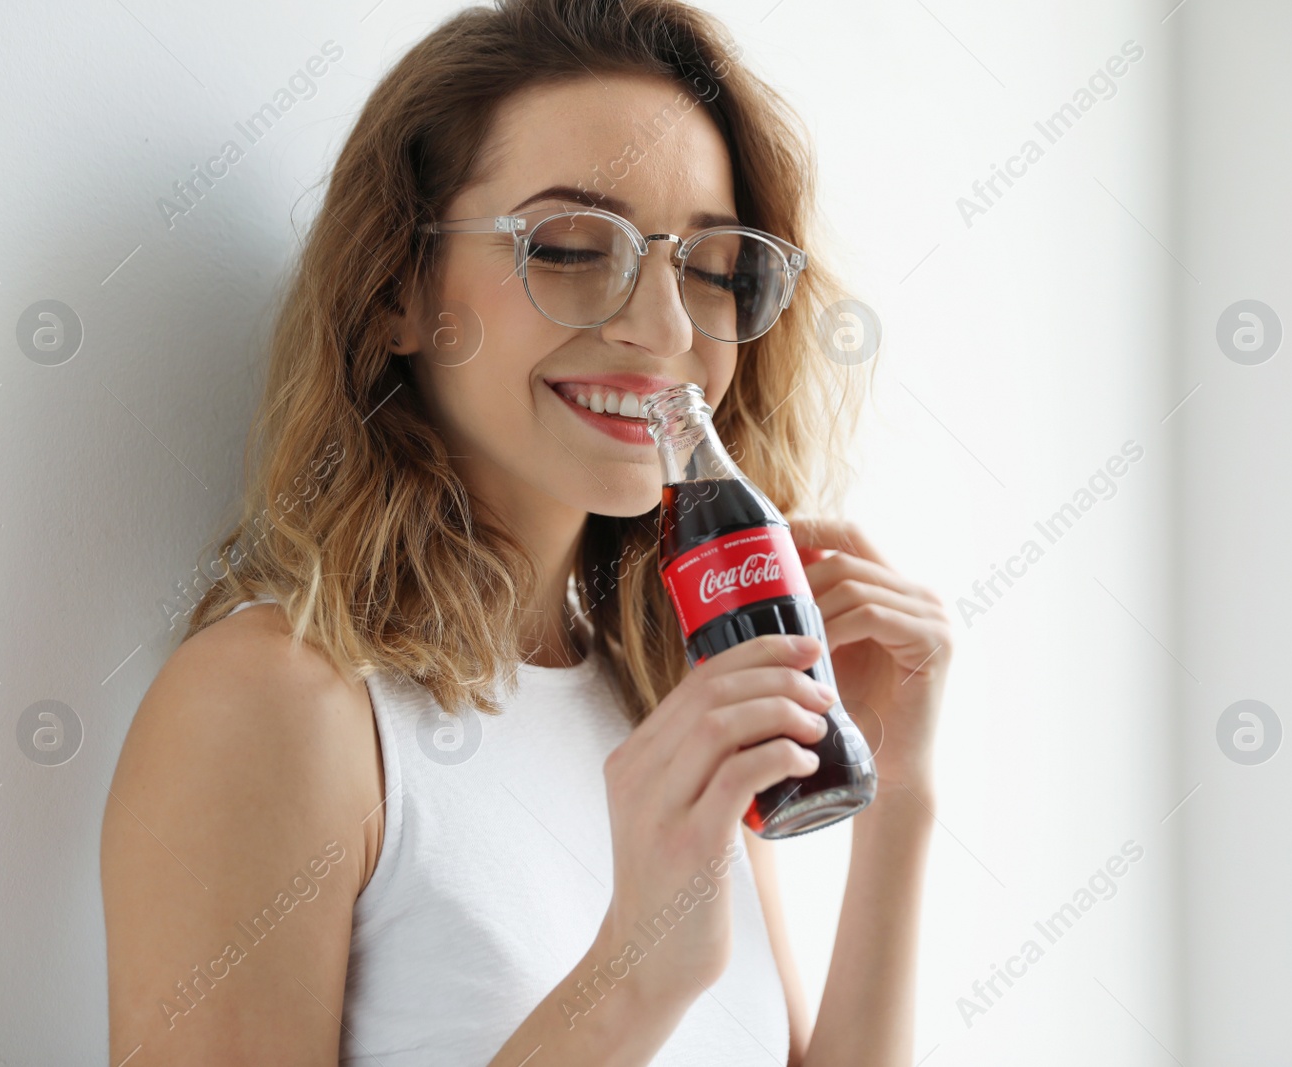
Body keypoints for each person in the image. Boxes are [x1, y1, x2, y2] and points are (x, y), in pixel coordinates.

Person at [100, 0, 951, 1063]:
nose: (665, 329)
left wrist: (900, 792)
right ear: (397, 289)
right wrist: (630, 977)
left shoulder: (664, 703)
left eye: (706, 266)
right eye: (568, 247)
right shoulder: (276, 703)